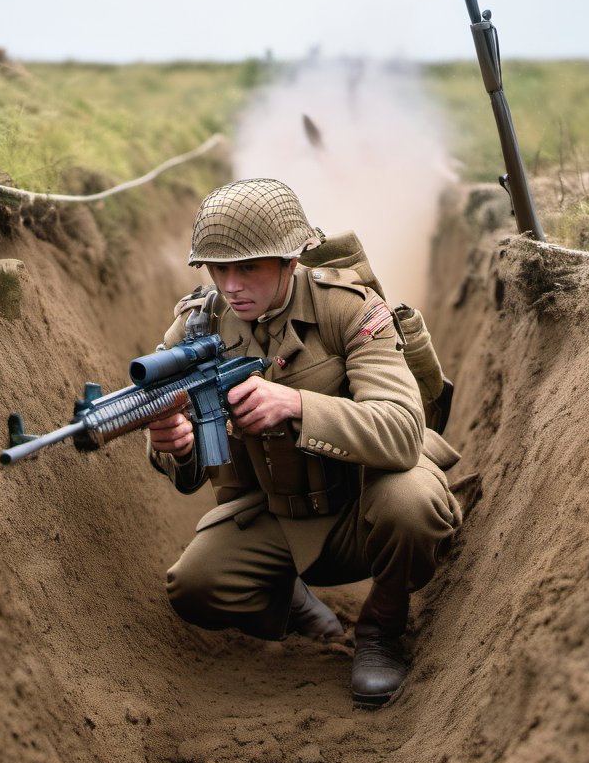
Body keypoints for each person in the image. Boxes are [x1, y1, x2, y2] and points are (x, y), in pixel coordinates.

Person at [148, 178, 459, 704]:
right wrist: (176, 446)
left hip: (363, 504)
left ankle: (381, 628)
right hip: (273, 513)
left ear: (291, 263)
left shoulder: (350, 311)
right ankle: (291, 602)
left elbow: (405, 432)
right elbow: (184, 467)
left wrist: (296, 405)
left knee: (412, 504)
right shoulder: (197, 330)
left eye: (249, 267)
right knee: (195, 587)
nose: (231, 284)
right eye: (219, 269)